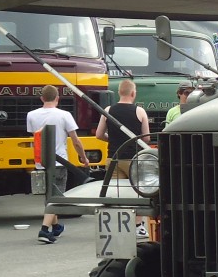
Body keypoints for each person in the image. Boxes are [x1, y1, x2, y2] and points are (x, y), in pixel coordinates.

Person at [26, 84, 91, 244]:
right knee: (56, 198)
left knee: (49, 195)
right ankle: (44, 229)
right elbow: (75, 140)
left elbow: (34, 138)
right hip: (59, 162)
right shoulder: (64, 115)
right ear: (57, 98)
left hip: (41, 162)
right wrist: (83, 157)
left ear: (41, 98)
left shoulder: (31, 115)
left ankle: (56, 227)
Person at [96, 79, 150, 179]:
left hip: (113, 158)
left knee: (117, 192)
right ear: (133, 93)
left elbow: (99, 135)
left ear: (119, 92)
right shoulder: (140, 111)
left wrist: (111, 139)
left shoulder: (108, 110)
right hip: (133, 159)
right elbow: (146, 138)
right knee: (135, 191)